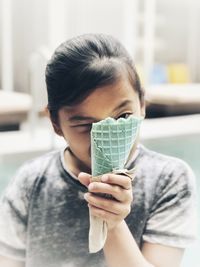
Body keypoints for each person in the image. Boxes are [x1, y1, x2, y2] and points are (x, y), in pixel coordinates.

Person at [0, 34, 197, 267]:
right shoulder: (30, 183)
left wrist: (113, 223)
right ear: (55, 123)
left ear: (142, 104)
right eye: (85, 125)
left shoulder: (170, 180)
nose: (104, 136)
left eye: (123, 116)